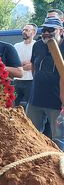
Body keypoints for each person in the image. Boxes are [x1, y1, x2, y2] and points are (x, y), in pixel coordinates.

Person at [26, 17, 64, 150]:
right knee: (31, 135)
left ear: (61, 31)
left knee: (58, 139)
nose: (46, 32)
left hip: (57, 102)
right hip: (35, 99)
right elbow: (33, 66)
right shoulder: (38, 45)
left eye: (50, 30)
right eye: (44, 29)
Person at [13, 23, 37, 108]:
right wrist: (23, 66)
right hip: (17, 80)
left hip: (31, 81)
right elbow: (14, 63)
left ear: (33, 32)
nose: (24, 32)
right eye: (23, 30)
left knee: (30, 107)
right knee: (12, 105)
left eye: (27, 30)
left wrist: (32, 64)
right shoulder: (16, 46)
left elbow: (36, 64)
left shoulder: (37, 45)